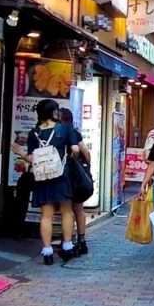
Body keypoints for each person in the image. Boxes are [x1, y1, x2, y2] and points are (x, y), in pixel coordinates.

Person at [27, 99, 80, 265]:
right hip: (61, 175)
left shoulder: (34, 133)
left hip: (42, 178)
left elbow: (31, 158)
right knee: (66, 211)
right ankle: (67, 246)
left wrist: (20, 152)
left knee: (46, 215)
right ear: (53, 112)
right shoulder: (64, 129)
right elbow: (76, 150)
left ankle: (47, 251)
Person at [60, 108, 92, 256]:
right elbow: (86, 152)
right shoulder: (74, 132)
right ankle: (81, 240)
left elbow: (81, 150)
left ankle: (68, 240)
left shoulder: (61, 132)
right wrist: (85, 168)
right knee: (77, 208)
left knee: (66, 209)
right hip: (75, 176)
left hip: (64, 175)